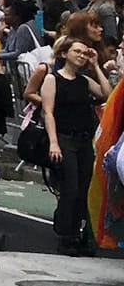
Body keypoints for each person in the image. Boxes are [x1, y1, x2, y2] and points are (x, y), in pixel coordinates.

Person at [41, 36, 110, 255]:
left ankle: (76, 232)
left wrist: (95, 65)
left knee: (84, 188)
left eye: (84, 53)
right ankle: (65, 235)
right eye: (76, 52)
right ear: (64, 54)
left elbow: (107, 94)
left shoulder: (84, 81)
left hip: (84, 140)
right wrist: (53, 142)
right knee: (69, 187)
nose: (81, 56)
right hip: (64, 138)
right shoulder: (52, 79)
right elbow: (48, 112)